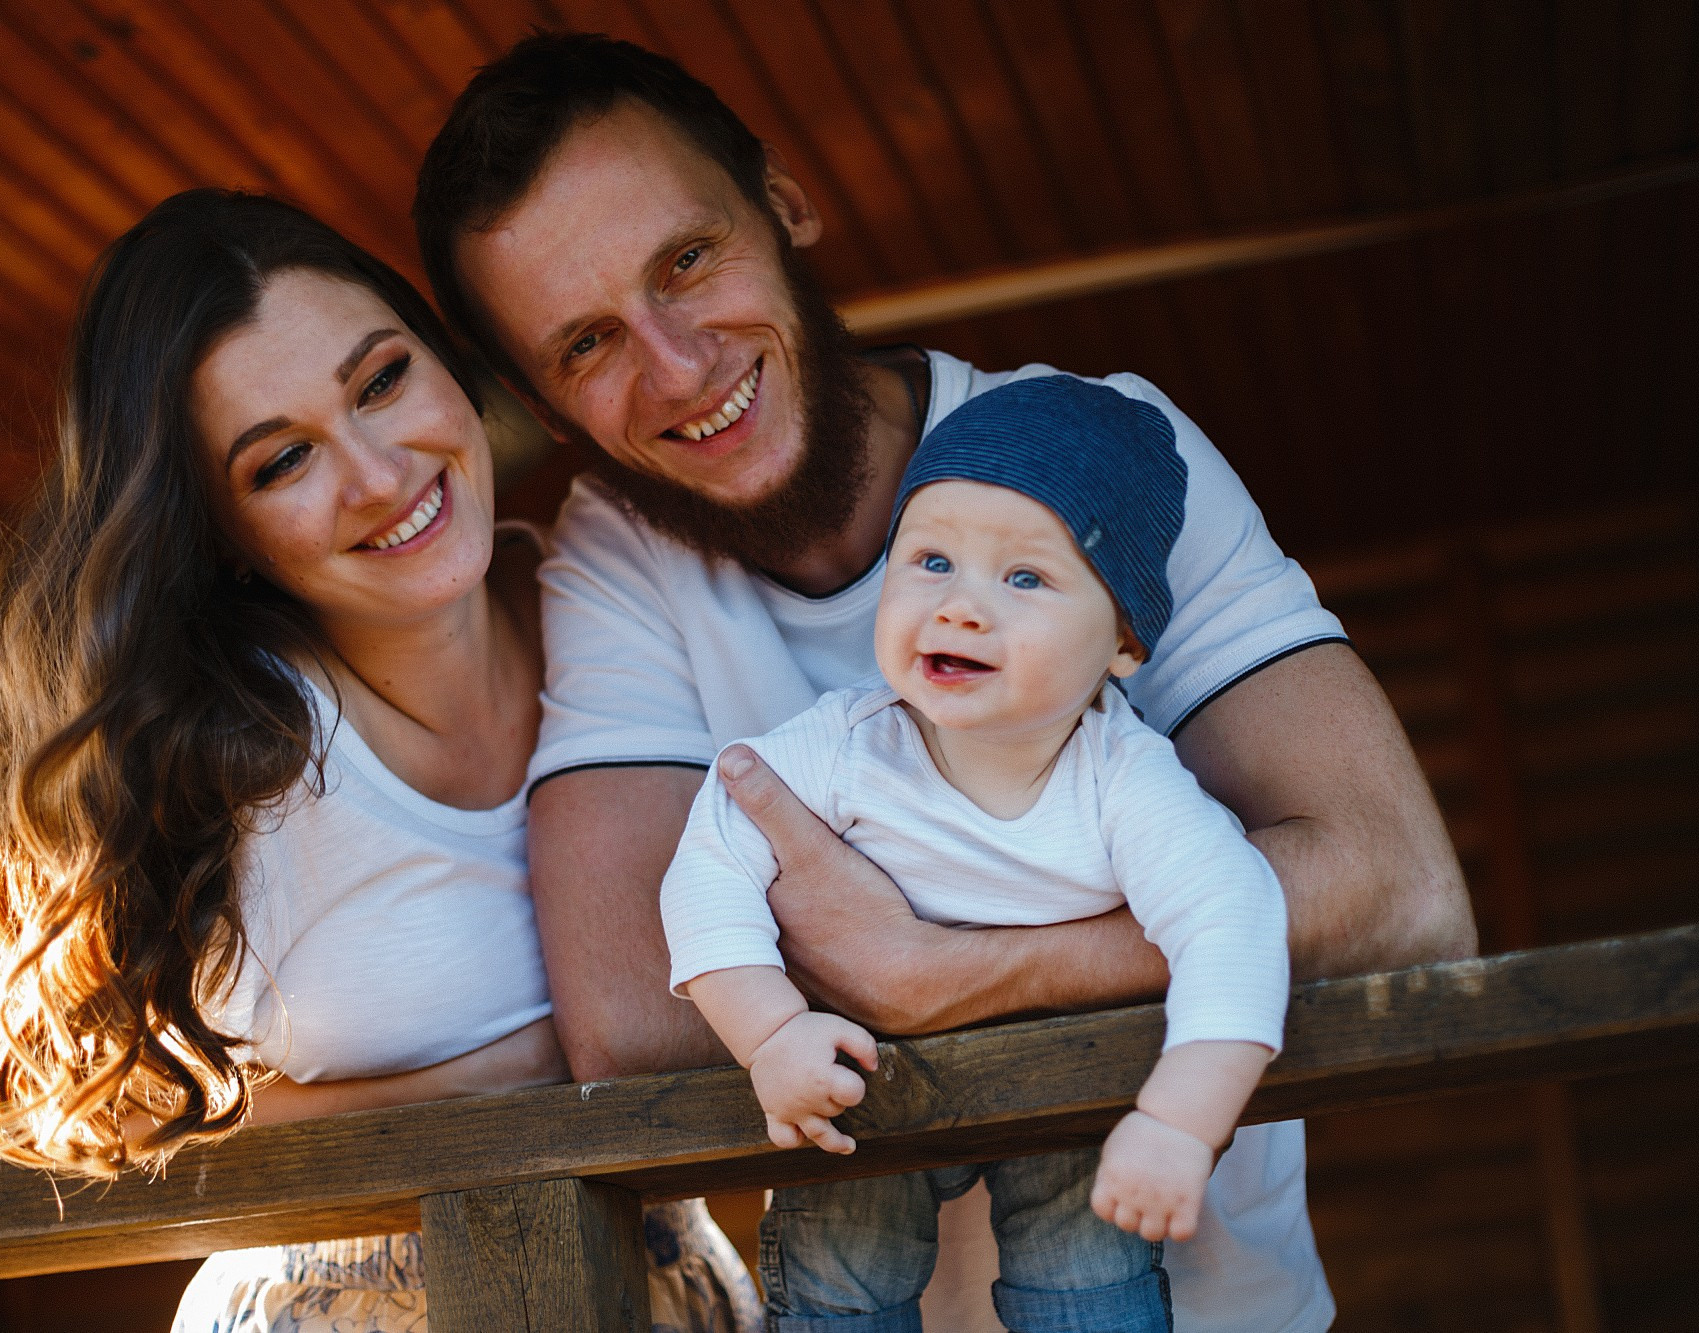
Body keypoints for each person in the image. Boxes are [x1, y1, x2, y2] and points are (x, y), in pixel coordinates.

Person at [414, 33, 1475, 1332]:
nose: (678, 366)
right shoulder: (617, 557)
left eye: (686, 260)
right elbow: (632, 1020)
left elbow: (1400, 893)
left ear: (784, 200)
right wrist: (1090, 932)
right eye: (587, 344)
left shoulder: (1103, 449)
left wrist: (928, 967)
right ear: (547, 407)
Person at [0, 188, 760, 1333]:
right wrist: (506, 1074)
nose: (377, 474)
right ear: (217, 530)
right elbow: (117, 1118)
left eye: (381, 381)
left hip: (664, 1289)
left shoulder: (624, 599)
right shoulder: (229, 754)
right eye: (282, 462)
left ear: (446, 359)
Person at [662, 376, 1289, 1330]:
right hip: (862, 1085)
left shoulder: (1124, 782)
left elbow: (1233, 921)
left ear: (1124, 638)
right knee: (841, 1276)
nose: (960, 606)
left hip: (1070, 1078)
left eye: (1025, 577)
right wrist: (770, 1030)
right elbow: (712, 855)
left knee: (1089, 1280)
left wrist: (1179, 1119)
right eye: (931, 560)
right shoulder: (848, 744)